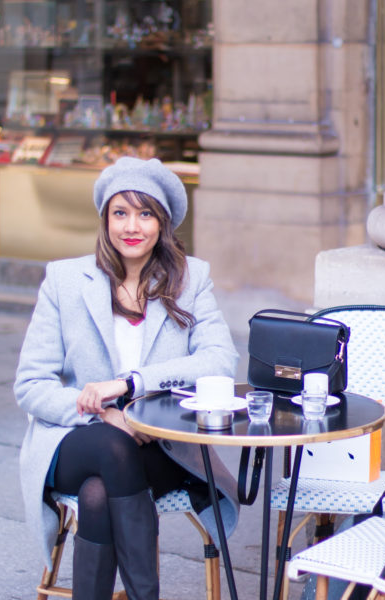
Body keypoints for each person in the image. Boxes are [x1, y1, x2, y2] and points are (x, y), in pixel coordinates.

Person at [14, 157, 240, 600]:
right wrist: (103, 414)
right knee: (111, 445)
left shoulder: (191, 279)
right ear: (105, 219)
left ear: (163, 223)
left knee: (98, 495)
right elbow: (30, 384)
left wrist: (132, 385)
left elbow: (220, 362)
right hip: (77, 439)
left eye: (145, 213)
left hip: (160, 448)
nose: (131, 226)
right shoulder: (65, 280)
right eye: (120, 213)